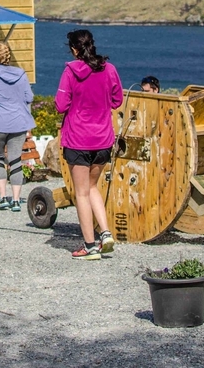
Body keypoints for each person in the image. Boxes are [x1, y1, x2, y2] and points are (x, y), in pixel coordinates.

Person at [54, 29, 123, 260]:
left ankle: (90, 246)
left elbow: (61, 105)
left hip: (78, 139)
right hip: (103, 139)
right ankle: (105, 233)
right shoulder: (110, 69)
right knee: (93, 187)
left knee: (81, 193)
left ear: (74, 48)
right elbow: (117, 100)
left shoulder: (70, 71)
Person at [0, 42, 35, 212]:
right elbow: (29, 97)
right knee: (15, 161)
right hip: (18, 123)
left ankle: (3, 197)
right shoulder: (21, 74)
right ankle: (16, 200)